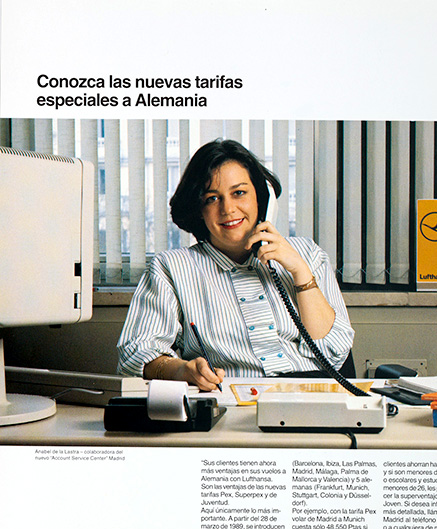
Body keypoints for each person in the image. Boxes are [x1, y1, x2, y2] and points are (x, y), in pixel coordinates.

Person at [117, 139, 354, 391]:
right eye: (212, 198)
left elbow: (335, 353)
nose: (228, 209)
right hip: (231, 400)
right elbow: (135, 355)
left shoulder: (306, 253)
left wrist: (300, 272)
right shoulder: (170, 267)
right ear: (198, 209)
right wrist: (183, 370)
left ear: (262, 198)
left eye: (239, 193)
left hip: (313, 395)